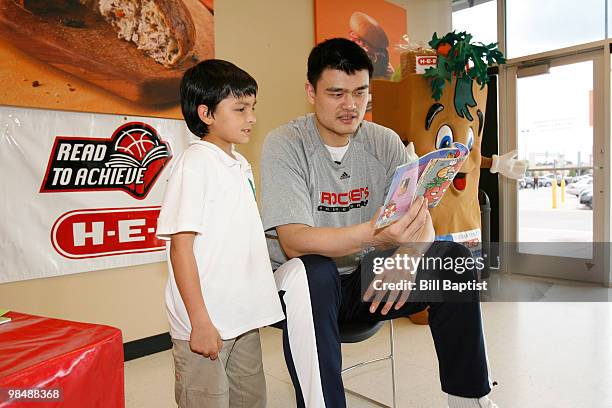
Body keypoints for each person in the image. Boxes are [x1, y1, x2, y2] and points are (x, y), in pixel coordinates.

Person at [261, 38, 497, 408]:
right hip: (304, 289)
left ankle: (469, 398)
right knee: (314, 271)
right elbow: (295, 241)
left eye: (359, 92)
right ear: (311, 91)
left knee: (453, 260)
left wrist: (408, 258)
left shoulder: (384, 141)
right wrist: (375, 233)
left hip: (365, 281)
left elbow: (422, 222)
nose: (350, 105)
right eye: (336, 93)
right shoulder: (285, 143)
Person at [157, 59, 285, 408]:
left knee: (250, 400)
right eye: (240, 108)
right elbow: (180, 249)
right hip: (206, 323)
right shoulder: (195, 163)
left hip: (242, 319)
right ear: (207, 113)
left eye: (253, 108)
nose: (252, 117)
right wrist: (199, 322)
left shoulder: (240, 165)